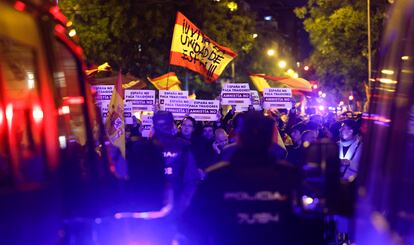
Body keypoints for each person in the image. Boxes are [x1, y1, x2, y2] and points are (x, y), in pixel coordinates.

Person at [183, 112, 323, 244]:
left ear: (238, 137)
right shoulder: (289, 175)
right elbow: (310, 229)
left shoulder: (217, 175)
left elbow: (193, 224)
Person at [151, 111, 201, 216]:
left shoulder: (183, 146)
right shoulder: (143, 147)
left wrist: (182, 207)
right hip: (150, 205)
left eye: (165, 124)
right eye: (159, 124)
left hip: (177, 202)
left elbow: (191, 180)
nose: (162, 127)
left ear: (171, 125)